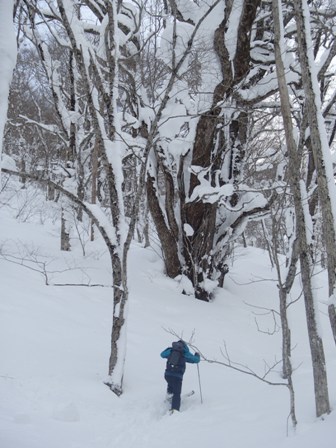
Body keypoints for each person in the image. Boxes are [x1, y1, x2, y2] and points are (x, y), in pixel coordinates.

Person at [160, 340, 200, 412]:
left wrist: (168, 349)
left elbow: (162, 354)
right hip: (177, 376)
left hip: (167, 374)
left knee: (170, 385)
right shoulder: (184, 353)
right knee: (176, 393)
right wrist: (197, 355)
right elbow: (196, 360)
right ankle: (174, 409)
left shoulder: (171, 351)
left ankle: (169, 397)